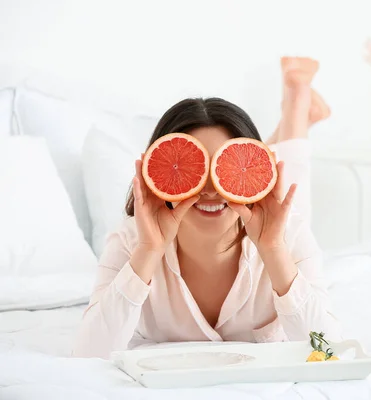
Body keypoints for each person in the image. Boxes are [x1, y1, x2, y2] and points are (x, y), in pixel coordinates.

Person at [72, 57, 340, 359]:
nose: (212, 189)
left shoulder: (288, 232)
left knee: (286, 175)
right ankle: (296, 106)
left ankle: (296, 101)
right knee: (258, 167)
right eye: (194, 171)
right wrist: (148, 250)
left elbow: (330, 351)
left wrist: (274, 250)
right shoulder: (130, 241)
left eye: (220, 173)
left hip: (273, 225)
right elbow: (87, 356)